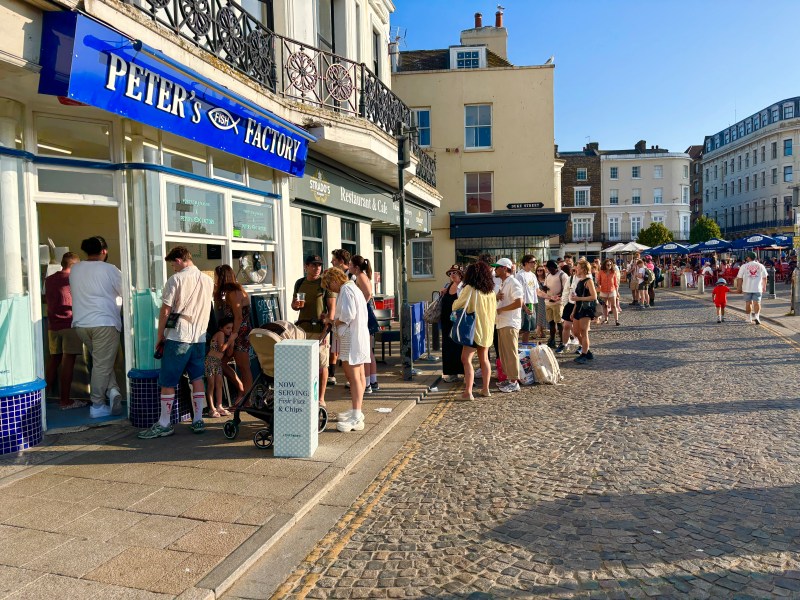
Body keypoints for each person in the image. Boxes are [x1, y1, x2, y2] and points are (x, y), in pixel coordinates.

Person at [139, 245, 214, 438]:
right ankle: (198, 419)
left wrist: (160, 336)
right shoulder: (208, 280)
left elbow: (165, 311)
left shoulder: (176, 280)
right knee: (197, 379)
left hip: (178, 337)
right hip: (199, 338)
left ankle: (164, 422)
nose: (173, 267)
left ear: (179, 260)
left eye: (173, 264)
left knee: (168, 381)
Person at [69, 236, 123, 419]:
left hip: (81, 324)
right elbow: (127, 292)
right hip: (105, 323)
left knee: (101, 362)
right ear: (104, 251)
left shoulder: (75, 269)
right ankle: (97, 405)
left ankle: (113, 390)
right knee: (102, 364)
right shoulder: (110, 269)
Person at [321, 268, 369, 433]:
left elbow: (348, 315)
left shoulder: (346, 289)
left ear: (334, 280)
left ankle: (356, 415)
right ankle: (357, 411)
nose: (331, 289)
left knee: (353, 377)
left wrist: (331, 320)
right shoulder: (352, 287)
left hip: (351, 337)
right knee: (359, 376)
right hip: (358, 335)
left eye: (329, 285)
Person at [44, 252, 85, 410]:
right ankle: (65, 401)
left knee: (53, 361)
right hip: (69, 324)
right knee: (68, 361)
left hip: (52, 326)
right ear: (73, 265)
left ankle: (42, 399)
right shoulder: (73, 279)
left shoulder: (49, 280)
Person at [292, 255, 334, 409]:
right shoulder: (299, 283)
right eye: (313, 265)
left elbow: (331, 310)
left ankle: (321, 398)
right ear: (306, 266)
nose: (317, 268)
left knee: (322, 365)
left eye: (319, 265)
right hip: (302, 330)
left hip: (319, 330)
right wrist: (296, 305)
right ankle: (307, 395)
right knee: (305, 366)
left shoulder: (324, 284)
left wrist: (326, 331)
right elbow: (294, 305)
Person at [452, 262, 496, 400]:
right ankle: (485, 389)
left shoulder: (470, 289)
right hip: (487, 329)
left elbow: (458, 305)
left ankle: (468, 392)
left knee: (466, 359)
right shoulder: (491, 291)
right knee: (484, 359)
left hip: (473, 329)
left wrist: (454, 305)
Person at [213, 264, 253, 399]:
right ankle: (241, 389)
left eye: (216, 277)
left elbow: (239, 316)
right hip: (233, 332)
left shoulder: (234, 293)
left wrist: (232, 338)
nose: (215, 279)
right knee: (220, 362)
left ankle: (248, 398)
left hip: (240, 333)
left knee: (243, 367)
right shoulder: (228, 292)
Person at [349, 255, 380, 392]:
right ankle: (373, 382)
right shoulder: (363, 275)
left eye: (350, 264)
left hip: (365, 315)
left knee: (365, 352)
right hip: (367, 314)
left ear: (356, 267)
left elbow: (367, 294)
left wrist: (360, 306)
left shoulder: (360, 276)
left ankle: (367, 384)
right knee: (369, 352)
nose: (348, 267)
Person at [493, 258, 523, 393]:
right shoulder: (504, 283)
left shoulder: (513, 282)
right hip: (502, 323)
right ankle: (508, 378)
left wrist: (501, 309)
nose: (495, 269)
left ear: (505, 268)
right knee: (504, 353)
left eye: (498, 267)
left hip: (510, 322)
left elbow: (519, 303)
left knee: (510, 353)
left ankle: (514, 381)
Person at [327, 249, 352, 386]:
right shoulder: (346, 283)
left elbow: (350, 313)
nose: (331, 262)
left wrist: (333, 321)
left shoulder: (350, 281)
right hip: (345, 328)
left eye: (334, 260)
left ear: (341, 262)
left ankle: (356, 406)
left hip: (349, 330)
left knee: (350, 364)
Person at [205, 316, 234, 417]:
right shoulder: (220, 334)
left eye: (231, 328)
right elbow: (221, 349)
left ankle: (219, 406)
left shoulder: (226, 337)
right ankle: (212, 408)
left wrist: (232, 341)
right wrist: (230, 340)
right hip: (210, 361)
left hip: (217, 362)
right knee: (211, 385)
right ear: (221, 328)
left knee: (219, 384)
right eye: (228, 328)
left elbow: (229, 353)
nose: (230, 330)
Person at [440, 265, 464, 383]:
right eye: (450, 273)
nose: (452, 275)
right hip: (446, 322)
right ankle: (451, 373)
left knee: (459, 347)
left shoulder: (464, 287)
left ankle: (465, 373)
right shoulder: (448, 286)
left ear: (461, 274)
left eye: (455, 272)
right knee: (448, 346)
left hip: (458, 321)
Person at [571, 259, 598, 364]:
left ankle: (584, 353)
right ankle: (587, 351)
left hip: (586, 309)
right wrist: (573, 311)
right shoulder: (580, 281)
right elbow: (577, 298)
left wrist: (579, 299)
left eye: (577, 267)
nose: (576, 269)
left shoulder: (588, 281)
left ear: (583, 269)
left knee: (584, 331)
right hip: (578, 308)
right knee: (576, 332)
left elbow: (594, 296)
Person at [539, 260, 569, 349]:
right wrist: (544, 288)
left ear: (556, 267)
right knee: (551, 322)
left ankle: (562, 341)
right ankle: (552, 340)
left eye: (553, 269)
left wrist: (556, 297)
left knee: (559, 323)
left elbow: (566, 289)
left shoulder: (562, 275)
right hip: (548, 302)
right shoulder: (548, 275)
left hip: (558, 303)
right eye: (549, 269)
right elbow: (545, 287)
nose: (551, 271)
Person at [736, 251, 768, 325]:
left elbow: (739, 278)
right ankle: (757, 317)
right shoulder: (761, 266)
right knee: (757, 303)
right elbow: (765, 277)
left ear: (748, 258)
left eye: (747, 257)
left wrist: (739, 288)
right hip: (757, 288)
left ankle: (748, 318)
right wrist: (764, 287)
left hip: (747, 288)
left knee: (748, 303)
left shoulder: (744, 266)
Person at [515, 255, 539, 344]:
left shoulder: (532, 275)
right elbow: (518, 294)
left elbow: (538, 291)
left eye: (535, 261)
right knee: (522, 328)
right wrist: (524, 307)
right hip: (523, 304)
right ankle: (509, 342)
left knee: (528, 329)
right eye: (532, 262)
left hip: (531, 303)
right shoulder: (519, 275)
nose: (534, 264)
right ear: (526, 263)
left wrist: (550, 297)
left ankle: (524, 348)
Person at [597, 258, 619, 326]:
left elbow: (616, 283)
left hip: (612, 290)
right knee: (604, 305)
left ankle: (616, 320)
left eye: (610, 264)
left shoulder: (613, 272)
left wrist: (617, 292)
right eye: (607, 265)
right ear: (605, 265)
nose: (609, 266)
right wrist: (599, 286)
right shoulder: (601, 272)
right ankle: (606, 319)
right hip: (603, 291)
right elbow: (598, 281)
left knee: (614, 306)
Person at [534, 265, 547, 339]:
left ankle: (541, 331)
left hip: (545, 298)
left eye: (541, 270)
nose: (539, 272)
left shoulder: (546, 278)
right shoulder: (535, 279)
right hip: (537, 299)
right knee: (539, 314)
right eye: (538, 270)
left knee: (543, 314)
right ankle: (539, 331)